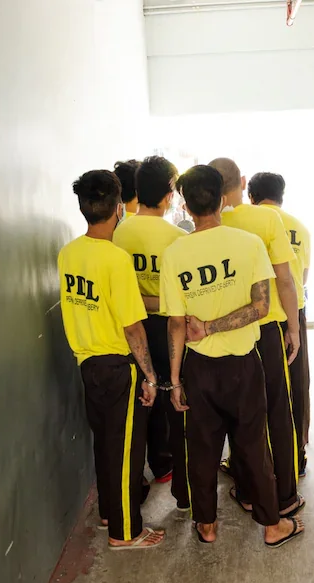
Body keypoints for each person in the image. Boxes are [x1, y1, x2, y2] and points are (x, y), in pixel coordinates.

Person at [160, 165, 304, 547]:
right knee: (254, 446)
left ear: (186, 207)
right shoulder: (249, 244)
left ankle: (206, 525)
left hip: (198, 369)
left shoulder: (174, 254)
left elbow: (175, 324)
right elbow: (261, 307)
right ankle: (272, 526)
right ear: (222, 199)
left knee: (202, 449)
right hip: (243, 365)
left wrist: (174, 379)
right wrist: (213, 327)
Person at [58, 169, 165, 550]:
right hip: (118, 366)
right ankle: (125, 531)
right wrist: (149, 376)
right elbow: (133, 327)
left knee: (105, 443)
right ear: (119, 207)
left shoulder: (69, 253)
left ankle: (109, 513)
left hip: (88, 363)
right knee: (127, 451)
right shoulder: (116, 260)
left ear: (83, 209)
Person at [206, 158, 304, 518]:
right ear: (243, 182)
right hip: (268, 329)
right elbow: (285, 279)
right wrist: (293, 328)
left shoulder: (209, 227)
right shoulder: (267, 220)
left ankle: (247, 491)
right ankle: (285, 495)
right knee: (278, 411)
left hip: (232, 334)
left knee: (243, 416)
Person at [112, 155, 189, 512]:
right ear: (169, 194)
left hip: (130, 328)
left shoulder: (118, 233)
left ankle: (147, 470)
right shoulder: (178, 238)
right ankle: (174, 476)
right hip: (168, 327)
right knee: (174, 396)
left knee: (142, 398)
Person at [248, 172, 313, 477]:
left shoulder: (249, 223)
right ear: (282, 196)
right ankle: (297, 454)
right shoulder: (300, 227)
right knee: (296, 386)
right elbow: (301, 276)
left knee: (261, 392)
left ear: (251, 197)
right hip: (294, 310)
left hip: (260, 317)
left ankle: (260, 461)